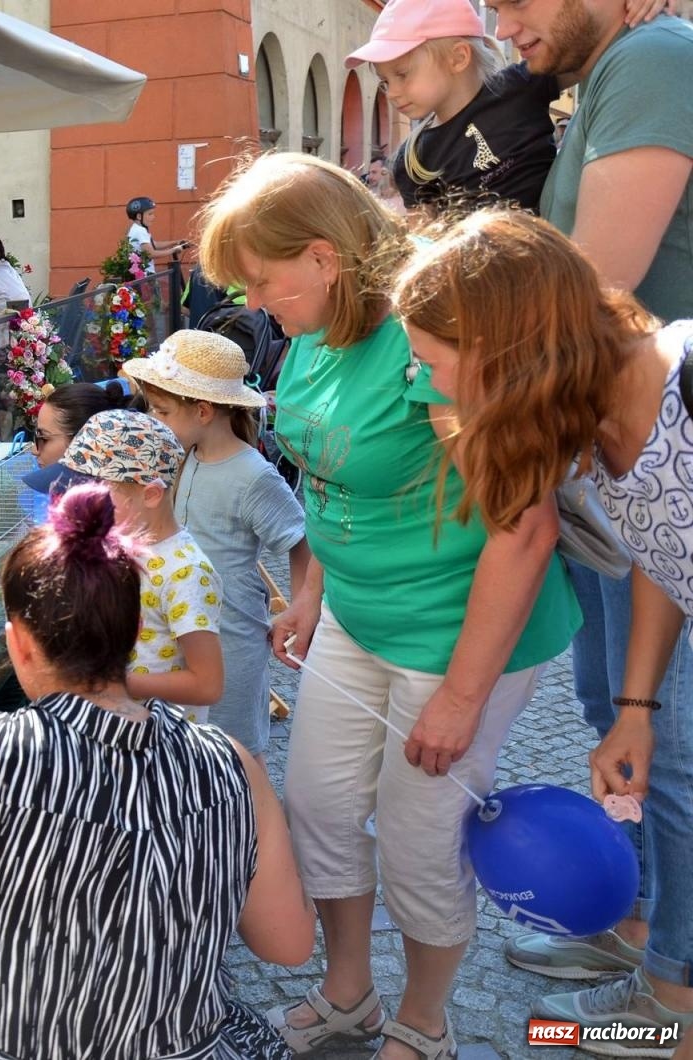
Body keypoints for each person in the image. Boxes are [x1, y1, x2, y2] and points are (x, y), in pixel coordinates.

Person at [197, 152, 579, 1058]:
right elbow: (336, 483)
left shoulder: (423, 336)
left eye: (262, 279)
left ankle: (426, 1020)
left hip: (454, 636)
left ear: (325, 257)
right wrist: (311, 591)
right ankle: (350, 993)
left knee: (419, 837)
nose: (256, 302)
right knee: (321, 806)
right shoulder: (311, 331)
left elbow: (524, 527)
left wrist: (459, 695)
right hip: (357, 619)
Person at [0, 481, 315, 1059]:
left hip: (3, 1049)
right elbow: (289, 945)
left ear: (20, 645)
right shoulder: (233, 764)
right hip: (184, 1048)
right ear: (134, 634)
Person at [485, 0, 693, 1036]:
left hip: (662, 451)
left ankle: (670, 999)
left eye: (514, 0)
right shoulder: (607, 74)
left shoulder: (654, 54)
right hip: (631, 479)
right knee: (630, 715)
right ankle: (647, 932)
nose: (501, 21)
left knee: (676, 745)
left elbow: (586, 292)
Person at [124, 330, 311, 760]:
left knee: (235, 749)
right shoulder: (183, 456)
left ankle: (253, 825)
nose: (154, 420)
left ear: (204, 411)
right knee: (188, 745)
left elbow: (300, 541)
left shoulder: (252, 474)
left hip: (232, 638)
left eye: (163, 411)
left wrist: (302, 610)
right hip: (181, 630)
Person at [348, 0, 668, 214]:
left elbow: (597, 46)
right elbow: (422, 242)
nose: (392, 93)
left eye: (402, 75)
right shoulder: (413, 160)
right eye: (386, 82)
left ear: (458, 57)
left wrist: (634, 6)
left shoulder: (518, 87)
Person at [34, 410, 224, 716]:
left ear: (150, 495)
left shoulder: (185, 573)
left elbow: (207, 684)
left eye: (95, 493)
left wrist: (115, 682)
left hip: (159, 743)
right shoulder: (114, 543)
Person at [125, 196, 188, 275]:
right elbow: (151, 254)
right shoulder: (139, 231)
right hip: (146, 276)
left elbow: (154, 244)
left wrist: (175, 242)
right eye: (150, 214)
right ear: (139, 216)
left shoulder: (137, 228)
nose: (153, 217)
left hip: (142, 275)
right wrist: (174, 250)